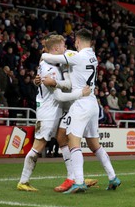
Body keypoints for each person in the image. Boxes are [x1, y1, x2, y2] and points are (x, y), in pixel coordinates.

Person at [41, 28, 121, 194]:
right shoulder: (93, 57)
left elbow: (50, 57)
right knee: (94, 144)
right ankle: (113, 177)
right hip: (92, 102)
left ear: (77, 41)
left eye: (75, 42)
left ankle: (78, 181)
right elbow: (71, 59)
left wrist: (43, 54)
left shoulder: (77, 57)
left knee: (73, 140)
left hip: (81, 104)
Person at [17, 35, 89, 192]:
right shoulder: (51, 69)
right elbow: (59, 93)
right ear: (56, 49)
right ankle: (23, 181)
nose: (65, 49)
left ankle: (75, 177)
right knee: (39, 145)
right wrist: (80, 93)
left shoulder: (48, 62)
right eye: (63, 47)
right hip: (48, 111)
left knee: (63, 139)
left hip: (55, 108)